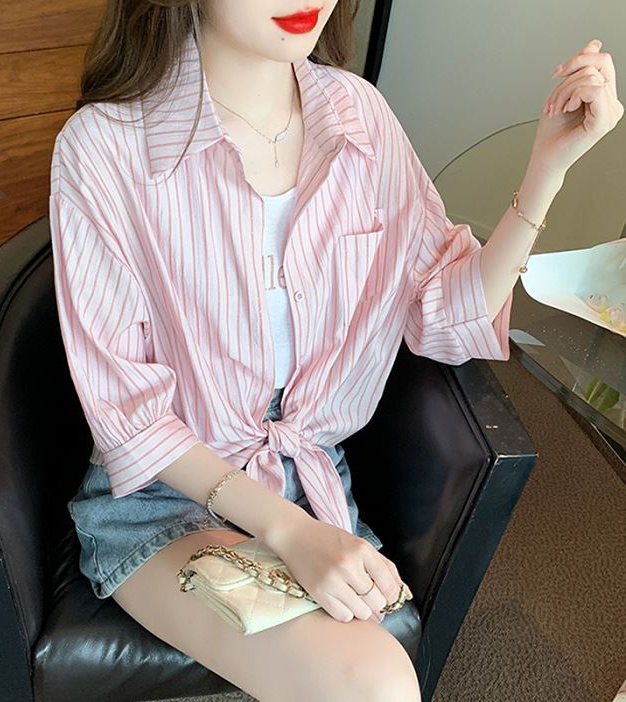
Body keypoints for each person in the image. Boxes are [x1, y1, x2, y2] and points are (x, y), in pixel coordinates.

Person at [48, 0, 622, 697]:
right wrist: (291, 533)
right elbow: (127, 413)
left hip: (310, 480)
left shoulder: (360, 116)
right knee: (374, 680)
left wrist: (548, 168)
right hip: (164, 503)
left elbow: (446, 315)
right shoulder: (104, 146)